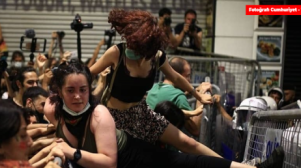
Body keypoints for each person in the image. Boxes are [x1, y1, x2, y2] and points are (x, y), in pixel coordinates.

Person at [45, 61, 285, 168]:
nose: (77, 96)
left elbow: (108, 163)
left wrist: (70, 152)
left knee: (188, 164)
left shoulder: (98, 114)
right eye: (70, 90)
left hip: (132, 156)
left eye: (82, 90)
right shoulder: (53, 110)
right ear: (58, 91)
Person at [89, 9, 216, 158]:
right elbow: (88, 74)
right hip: (114, 118)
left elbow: (176, 77)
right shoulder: (117, 53)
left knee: (188, 143)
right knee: (129, 159)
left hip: (141, 114)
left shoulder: (156, 56)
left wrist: (198, 96)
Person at [146, 57, 205, 136]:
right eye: (187, 76)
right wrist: (201, 97)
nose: (189, 80)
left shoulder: (154, 88)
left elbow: (168, 96)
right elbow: (195, 130)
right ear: (177, 76)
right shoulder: (178, 97)